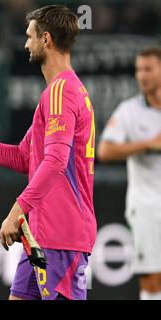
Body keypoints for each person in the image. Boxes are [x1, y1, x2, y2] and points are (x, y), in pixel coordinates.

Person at [0, 5, 96, 300]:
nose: (25, 44)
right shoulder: (55, 93)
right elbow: (24, 158)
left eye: (29, 36)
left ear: (46, 39)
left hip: (62, 236)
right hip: (43, 236)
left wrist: (17, 211)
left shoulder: (61, 92)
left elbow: (56, 161)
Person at [98, 47, 161, 300]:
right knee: (152, 278)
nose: (141, 75)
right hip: (147, 206)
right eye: (138, 69)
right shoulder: (129, 111)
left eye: (148, 69)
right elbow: (104, 150)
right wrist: (146, 144)